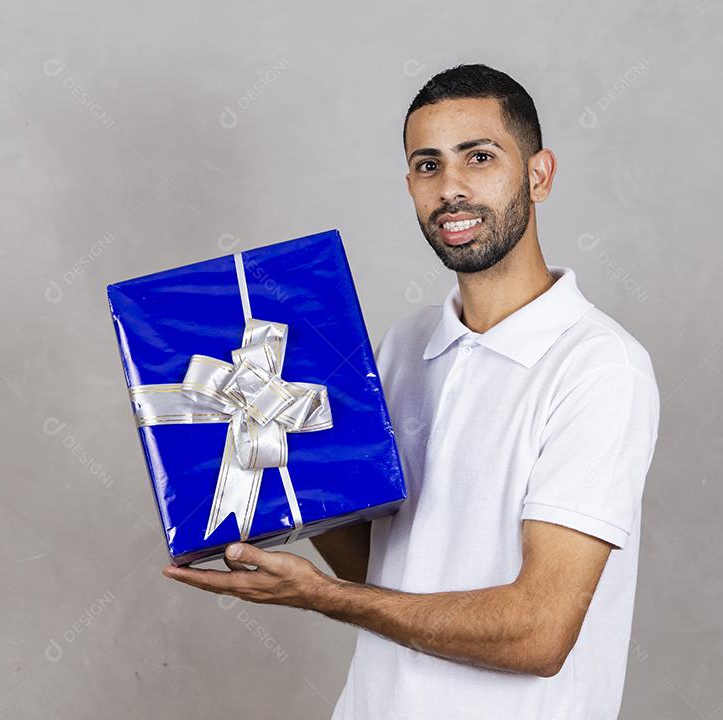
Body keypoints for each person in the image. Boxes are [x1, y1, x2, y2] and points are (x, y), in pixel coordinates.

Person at [163, 63, 661, 720]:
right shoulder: (404, 345)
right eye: (428, 166)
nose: (451, 188)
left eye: (478, 158)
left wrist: (319, 598)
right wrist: (274, 462)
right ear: (409, 186)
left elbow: (539, 634)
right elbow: (383, 572)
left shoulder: (598, 367)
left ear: (538, 175)